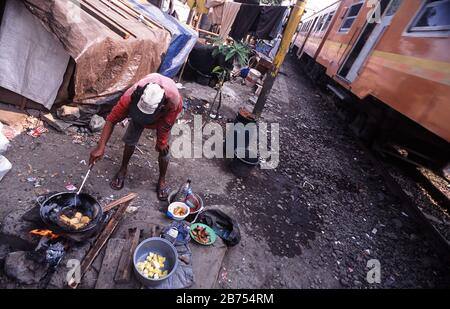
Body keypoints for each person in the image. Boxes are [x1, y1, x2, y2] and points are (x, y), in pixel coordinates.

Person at [89, 73, 182, 201]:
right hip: (137, 114)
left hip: (163, 118)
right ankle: (123, 168)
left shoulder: (173, 103)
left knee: (163, 148)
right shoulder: (130, 97)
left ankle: (162, 179)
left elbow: (166, 127)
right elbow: (111, 120)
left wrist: (161, 142)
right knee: (130, 139)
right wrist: (101, 146)